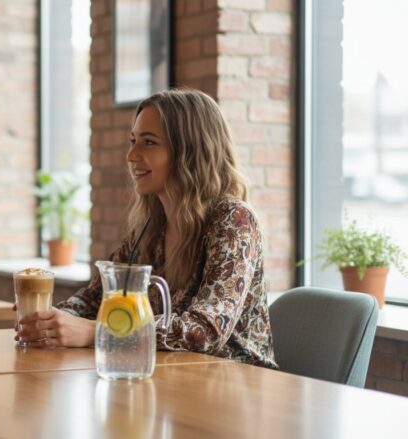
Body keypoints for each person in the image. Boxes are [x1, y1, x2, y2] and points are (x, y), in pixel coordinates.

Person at [16, 89, 277, 368]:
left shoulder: (234, 220)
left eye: (148, 142)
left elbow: (205, 331)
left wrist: (99, 332)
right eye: (133, 141)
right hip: (173, 377)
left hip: (240, 383)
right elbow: (95, 298)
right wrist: (50, 320)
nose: (131, 155)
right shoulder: (152, 227)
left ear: (189, 151)